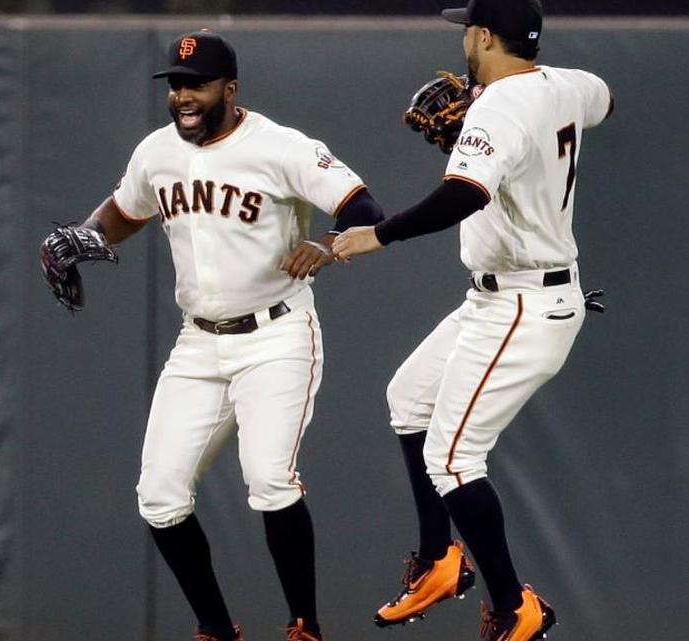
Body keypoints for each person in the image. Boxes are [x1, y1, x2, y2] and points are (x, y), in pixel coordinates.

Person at [55, 29, 385, 641]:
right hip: (199, 343)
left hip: (277, 336)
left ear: (229, 89)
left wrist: (326, 243)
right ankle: (216, 629)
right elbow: (124, 213)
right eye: (175, 85)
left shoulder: (282, 147)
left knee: (268, 479)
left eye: (196, 85)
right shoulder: (157, 151)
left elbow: (363, 207)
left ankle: (306, 627)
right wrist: (80, 236)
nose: (182, 95)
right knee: (158, 495)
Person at [332, 2, 612, 640]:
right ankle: (437, 561)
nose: (464, 36)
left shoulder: (497, 108)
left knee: (454, 460)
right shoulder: (567, 85)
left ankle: (517, 608)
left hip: (523, 301)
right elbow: (606, 99)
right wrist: (510, 131)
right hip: (504, 296)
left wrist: (379, 234)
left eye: (467, 27)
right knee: (408, 398)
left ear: (484, 35)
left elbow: (465, 194)